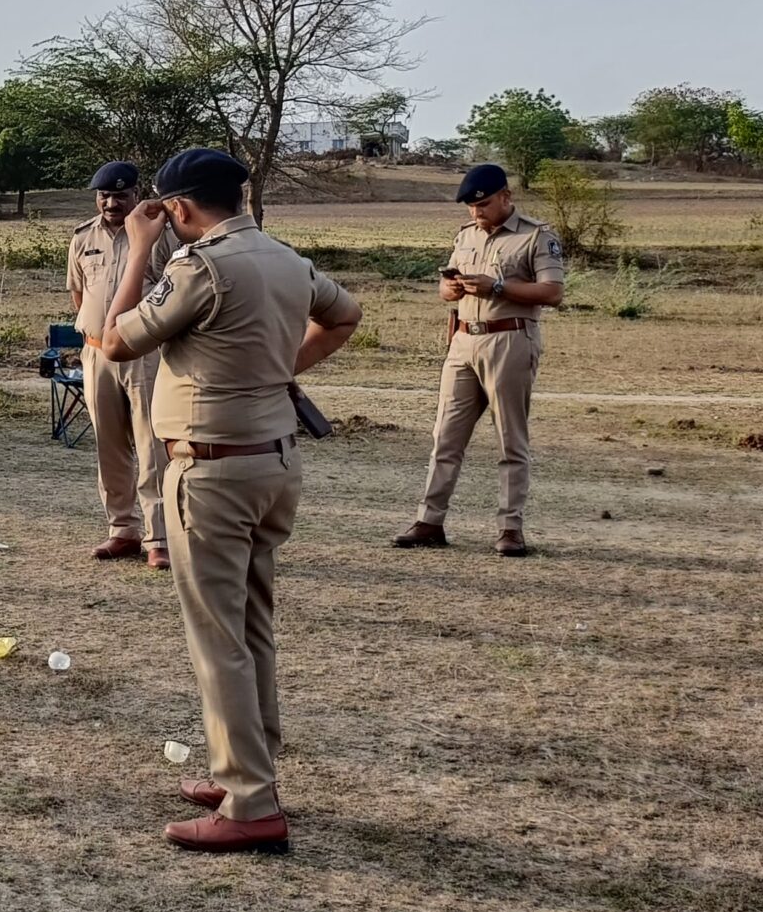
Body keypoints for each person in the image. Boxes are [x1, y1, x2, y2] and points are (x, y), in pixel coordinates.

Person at [99, 148, 361, 855]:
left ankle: (250, 799)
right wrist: (276, 373)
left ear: (179, 208)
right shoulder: (286, 260)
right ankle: (249, 770)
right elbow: (345, 315)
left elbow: (115, 341)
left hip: (212, 471)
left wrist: (138, 248)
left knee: (218, 640)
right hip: (273, 461)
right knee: (251, 625)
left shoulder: (199, 267)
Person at [397, 163, 565, 558]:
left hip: (510, 339)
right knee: (445, 437)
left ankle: (510, 528)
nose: (477, 212)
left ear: (506, 197)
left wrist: (499, 287)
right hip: (463, 340)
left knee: (510, 438)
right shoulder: (466, 235)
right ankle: (429, 521)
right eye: (471, 207)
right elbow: (444, 288)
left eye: (484, 204)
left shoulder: (535, 236)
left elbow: (553, 292)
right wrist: (449, 288)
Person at [70, 161, 179, 570]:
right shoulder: (82, 237)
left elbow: (176, 294)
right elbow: (78, 293)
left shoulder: (160, 236)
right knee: (109, 445)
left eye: (120, 195)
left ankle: (159, 537)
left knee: (152, 447)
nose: (111, 203)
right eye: (104, 196)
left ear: (136, 194)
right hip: (97, 353)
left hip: (145, 354)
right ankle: (122, 530)